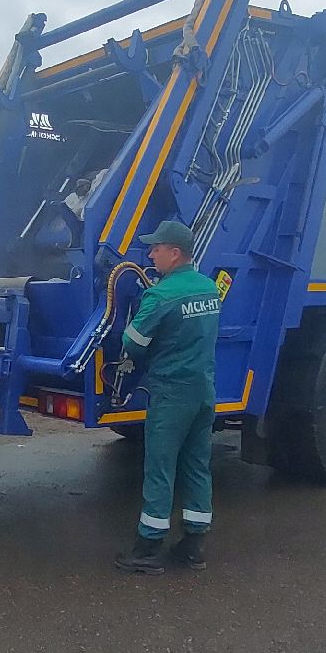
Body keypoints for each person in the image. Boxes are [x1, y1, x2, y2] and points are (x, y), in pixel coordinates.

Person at [114, 219, 222, 575]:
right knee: (196, 465)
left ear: (175, 254)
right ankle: (194, 545)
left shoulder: (161, 294)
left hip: (172, 394)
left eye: (156, 248)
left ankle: (148, 547)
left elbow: (133, 341)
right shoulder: (209, 289)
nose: (150, 254)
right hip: (203, 391)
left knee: (160, 467)